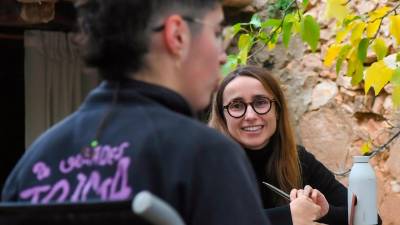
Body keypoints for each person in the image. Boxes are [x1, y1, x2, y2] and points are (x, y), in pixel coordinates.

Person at [1, 1, 271, 225]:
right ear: (177, 35)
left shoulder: (36, 162)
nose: (223, 56)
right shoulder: (208, 155)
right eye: (216, 33)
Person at [209, 66, 348, 225]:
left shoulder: (298, 159)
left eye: (260, 102)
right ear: (222, 115)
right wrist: (288, 216)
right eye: (237, 105)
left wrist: (326, 211)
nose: (250, 116)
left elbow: (369, 218)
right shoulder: (209, 165)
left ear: (277, 110)